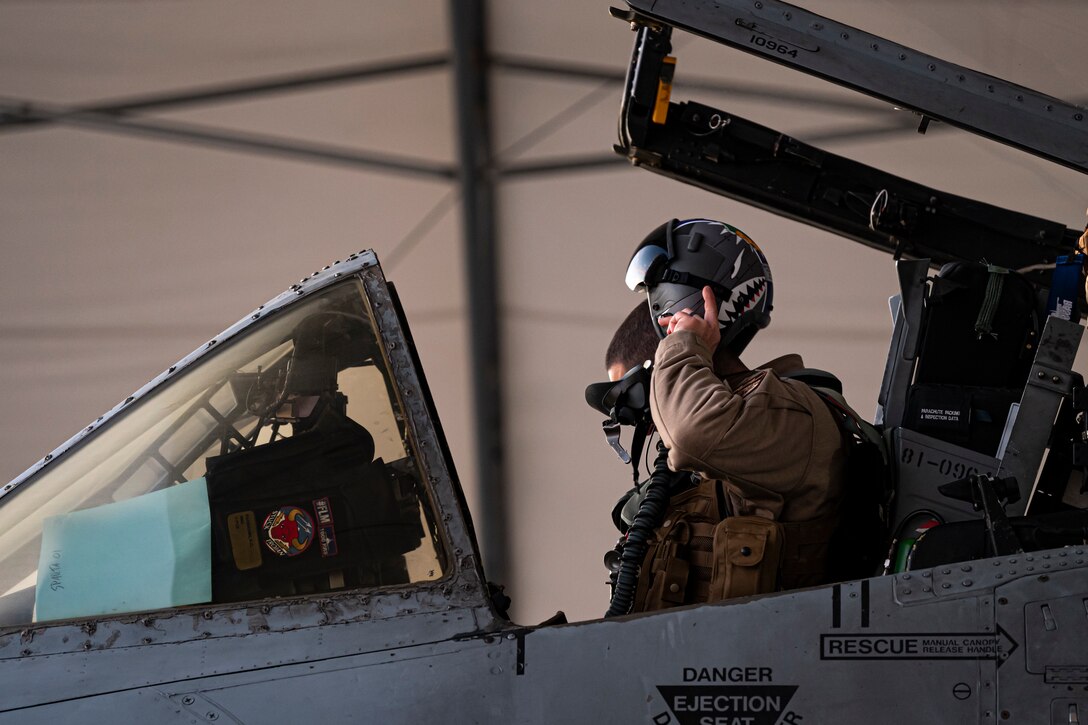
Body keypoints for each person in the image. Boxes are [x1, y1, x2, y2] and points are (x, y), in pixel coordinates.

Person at [620, 217, 850, 610]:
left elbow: (692, 434)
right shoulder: (737, 410)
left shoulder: (791, 411)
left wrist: (684, 344)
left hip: (765, 643)